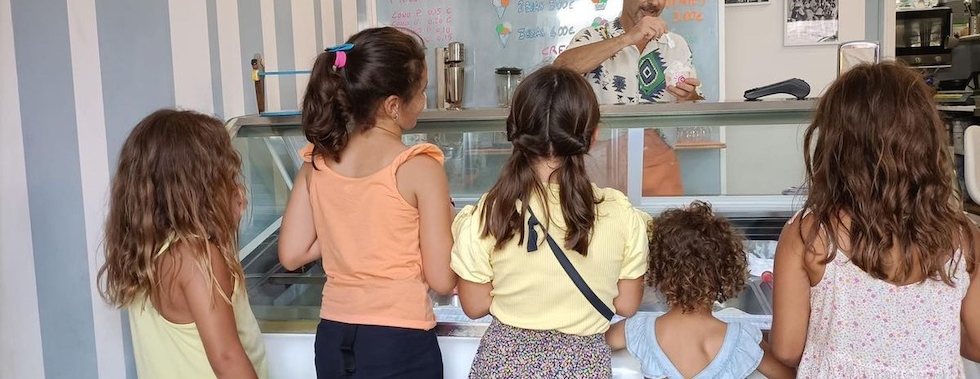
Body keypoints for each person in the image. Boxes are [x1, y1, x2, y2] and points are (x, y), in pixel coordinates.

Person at [770, 62, 980, 377]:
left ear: (835, 144)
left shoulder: (810, 234)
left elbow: (787, 349)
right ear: (925, 141)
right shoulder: (963, 236)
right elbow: (977, 344)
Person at [278, 27, 456, 379]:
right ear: (392, 105)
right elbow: (442, 279)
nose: (423, 102)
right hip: (399, 341)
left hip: (332, 336)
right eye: (421, 93)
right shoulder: (419, 166)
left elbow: (292, 253)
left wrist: (342, 229)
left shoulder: (318, 160)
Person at [451, 66, 650, 378]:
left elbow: (474, 305)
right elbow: (626, 304)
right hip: (583, 366)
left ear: (514, 132)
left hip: (503, 364)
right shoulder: (619, 214)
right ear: (592, 135)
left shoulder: (491, 211)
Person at [97, 109, 268, 379]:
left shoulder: (151, 251)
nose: (233, 184)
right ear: (201, 188)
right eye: (226, 176)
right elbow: (227, 358)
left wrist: (225, 226)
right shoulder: (198, 258)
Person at [554, 0, 702, 196]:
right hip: (598, 159)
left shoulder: (676, 45)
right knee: (599, 229)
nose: (655, 1)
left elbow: (695, 109)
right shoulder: (594, 35)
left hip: (658, 161)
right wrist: (627, 38)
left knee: (662, 231)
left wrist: (690, 96)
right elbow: (561, 69)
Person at [606, 201, 795, 379]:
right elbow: (791, 375)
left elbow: (592, 344)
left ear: (657, 268)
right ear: (726, 271)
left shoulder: (637, 330)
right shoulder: (743, 339)